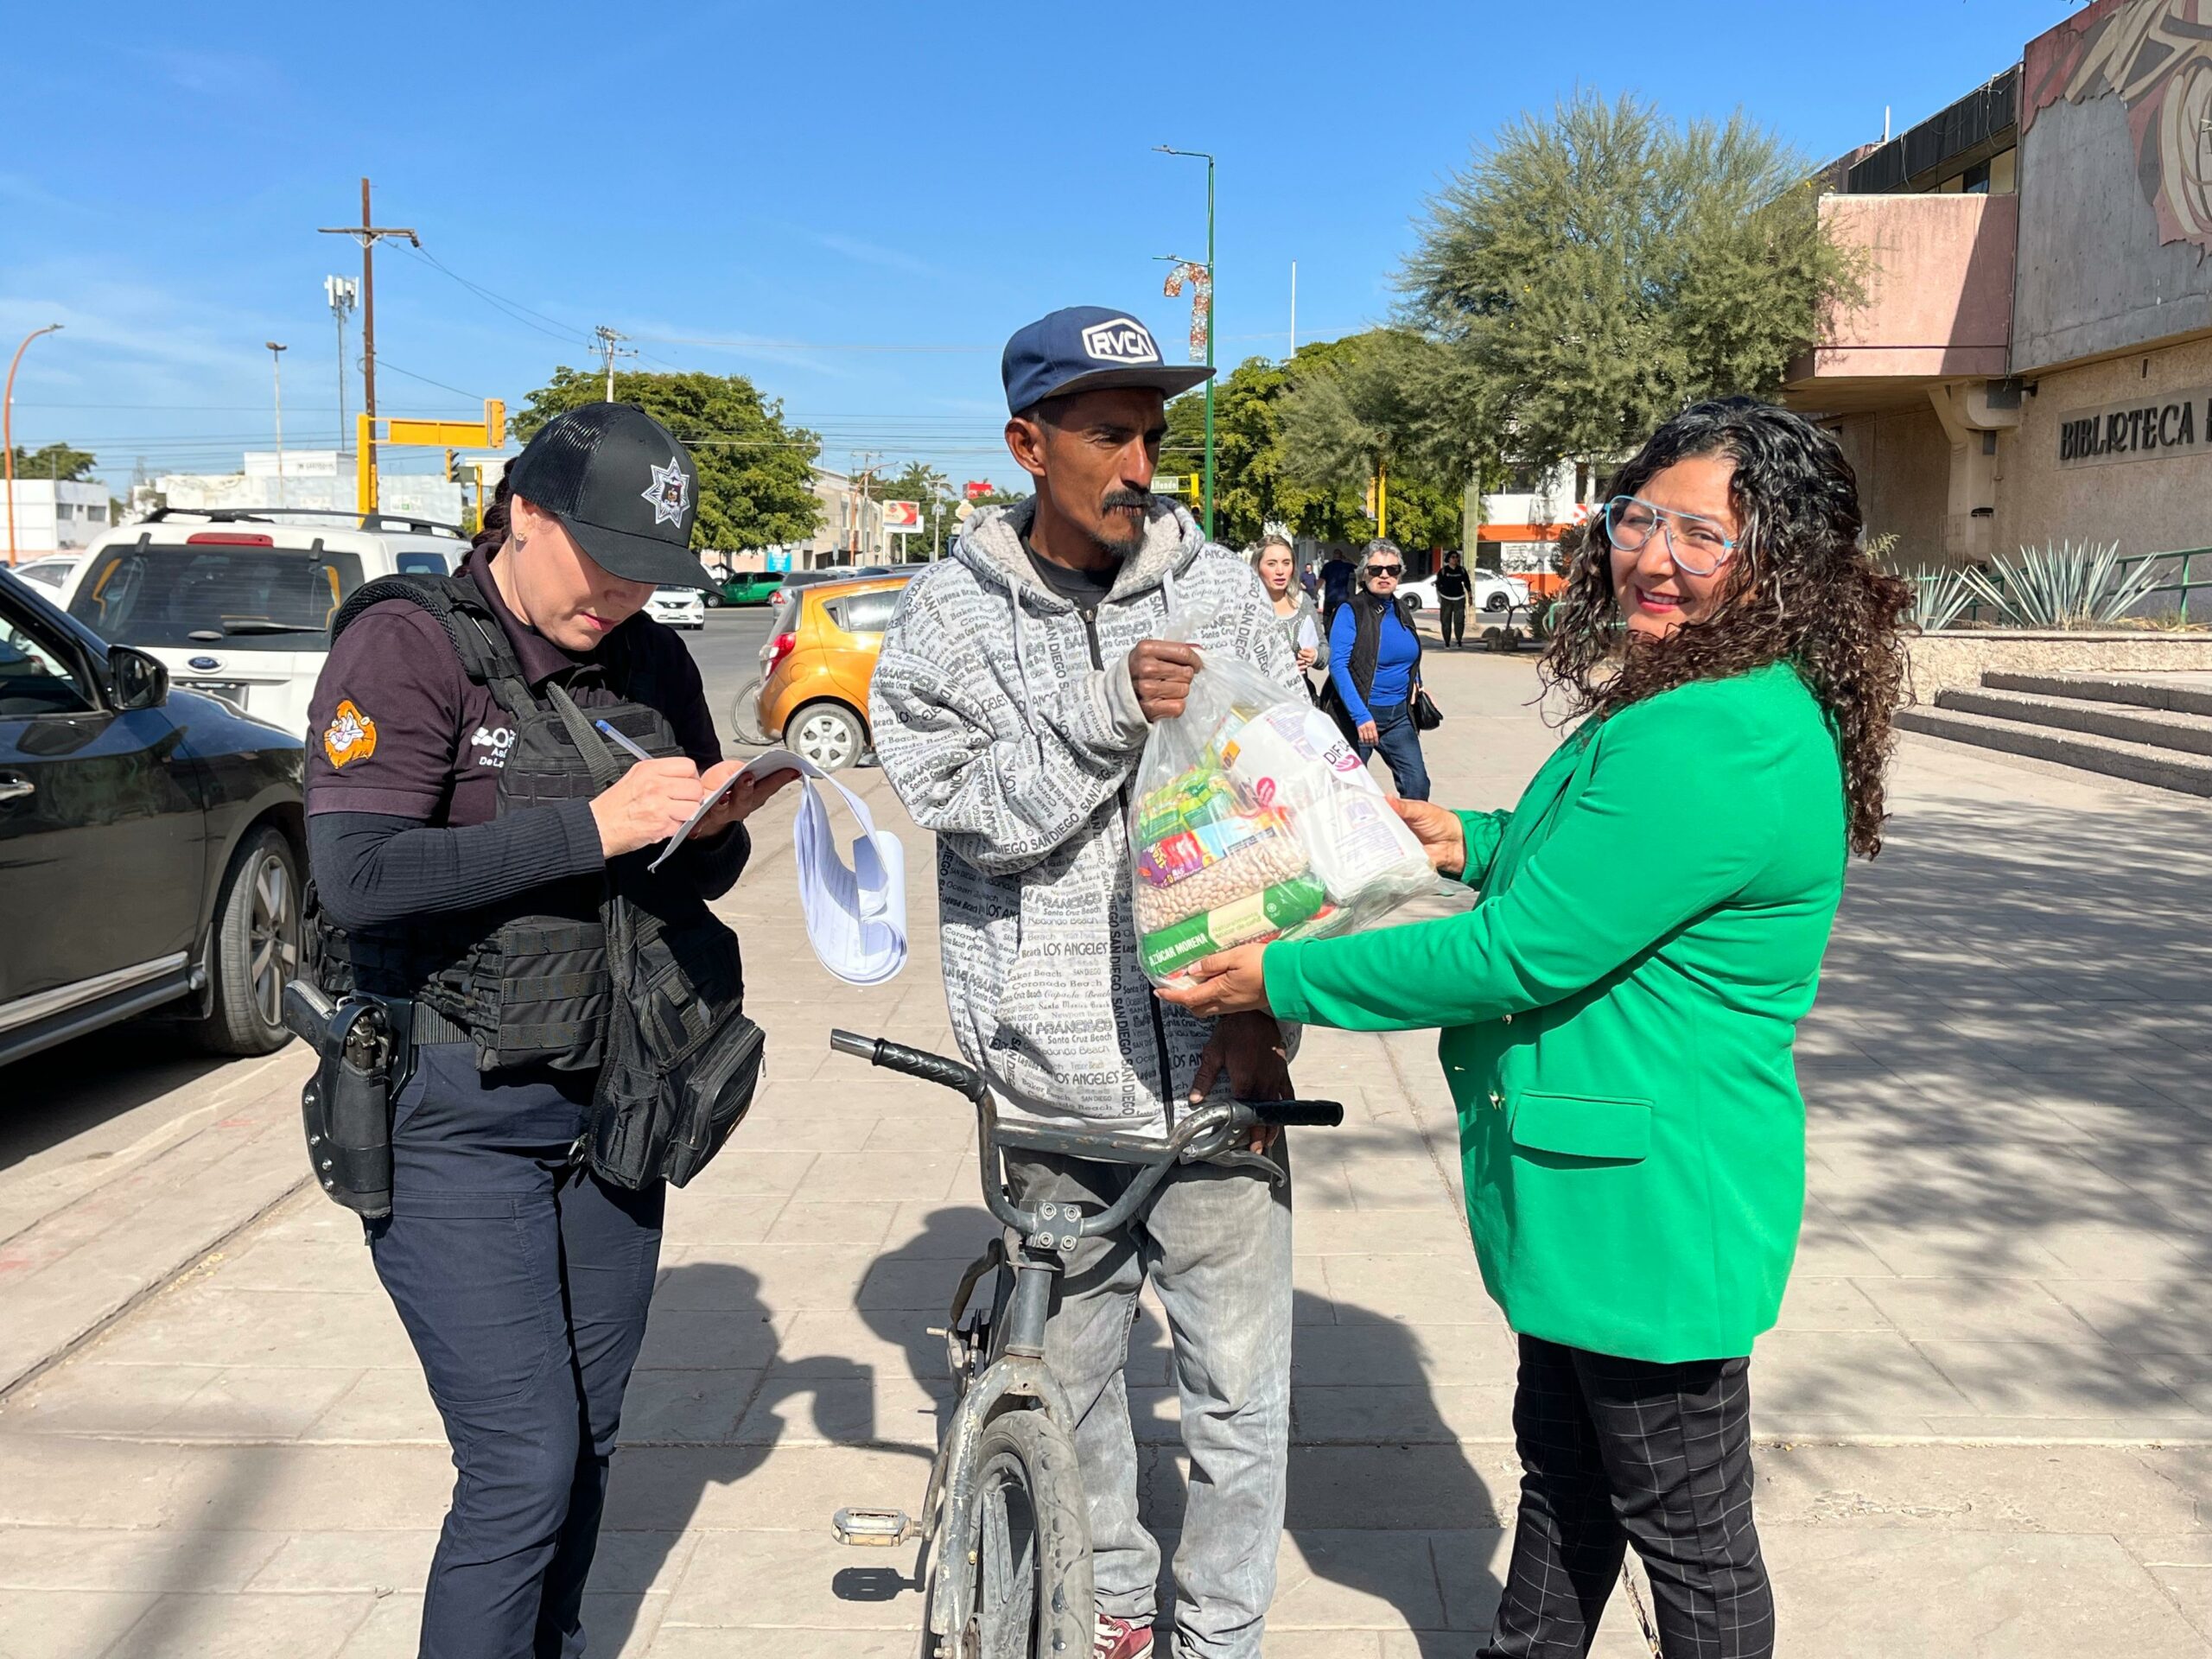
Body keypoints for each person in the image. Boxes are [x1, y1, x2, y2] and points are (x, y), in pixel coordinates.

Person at [1157, 399, 1914, 1659]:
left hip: (1649, 1204)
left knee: (1689, 1540)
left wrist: (1279, 979)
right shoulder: (1702, 697)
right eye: (1638, 518)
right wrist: (1471, 836)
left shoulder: (1718, 730)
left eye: (1702, 535)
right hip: (1601, 1198)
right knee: (1568, 1491)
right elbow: (1610, 874)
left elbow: (1523, 952)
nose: (1653, 556)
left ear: (1781, 563)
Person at [302, 404, 797, 1659]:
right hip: (453, 1106)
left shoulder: (649, 661)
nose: (625, 593)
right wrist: (594, 829)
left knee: (588, 1441)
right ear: (522, 511)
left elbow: (683, 874)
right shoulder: (412, 647)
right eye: (604, 559)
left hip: (620, 1095)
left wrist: (720, 820)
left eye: (651, 573)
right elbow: (356, 874)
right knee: (520, 1463)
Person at [871, 306, 1306, 1659]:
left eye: (1151, 435)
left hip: (1218, 1074)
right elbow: (968, 810)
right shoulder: (947, 619)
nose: (1138, 464)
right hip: (1052, 1091)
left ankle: (1217, 1635)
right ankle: (1111, 1603)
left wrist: (1258, 1016)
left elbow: (1280, 812)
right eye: (1108, 434)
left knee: (1241, 1403)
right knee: (1075, 1389)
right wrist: (1108, 710)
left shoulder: (1223, 589)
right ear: (1027, 443)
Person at [1325, 538, 1431, 799]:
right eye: (1376, 570)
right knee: (1348, 792)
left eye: (1392, 570)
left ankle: (1410, 837)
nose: (1384, 575)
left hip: (1398, 717)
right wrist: (1361, 716)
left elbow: (1409, 651)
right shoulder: (1352, 610)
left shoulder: (1402, 608)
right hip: (1357, 717)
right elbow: (1338, 665)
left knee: (1417, 786)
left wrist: (1417, 682)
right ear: (1363, 573)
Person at [1252, 532, 1321, 676]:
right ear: (1257, 567)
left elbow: (1324, 649)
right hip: (1257, 695)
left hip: (1299, 694)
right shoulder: (1245, 606)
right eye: (1271, 564)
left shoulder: (1303, 601)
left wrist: (1315, 656)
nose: (1280, 571)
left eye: (1286, 563)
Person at [1435, 549, 1472, 647]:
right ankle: (1447, 642)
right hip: (1446, 598)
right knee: (1445, 621)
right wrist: (1439, 597)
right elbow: (1438, 585)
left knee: (1459, 620)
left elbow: (1467, 583)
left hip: (1459, 599)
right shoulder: (1443, 571)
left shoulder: (1462, 570)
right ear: (1449, 559)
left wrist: (1470, 597)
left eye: (1457, 557)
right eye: (1453, 557)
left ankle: (1459, 640)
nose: (1455, 559)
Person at [1319, 544, 1357, 620]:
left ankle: (1327, 630)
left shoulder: (1327, 566)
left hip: (1329, 596)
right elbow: (1357, 566)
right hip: (1342, 597)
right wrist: (1347, 558)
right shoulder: (1347, 566)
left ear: (1333, 555)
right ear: (1341, 556)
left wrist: (1315, 591)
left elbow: (1321, 580)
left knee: (1327, 617)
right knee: (1341, 617)